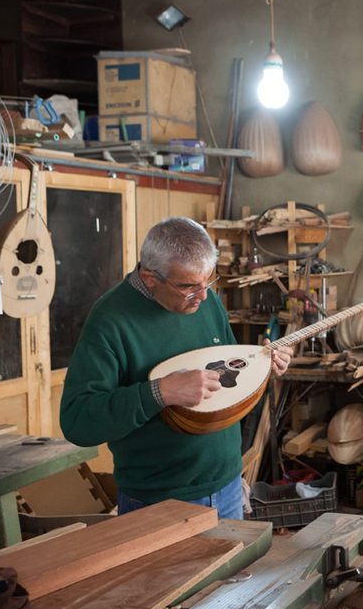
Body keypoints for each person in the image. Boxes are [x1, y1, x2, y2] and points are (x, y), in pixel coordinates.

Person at [60, 216, 291, 519]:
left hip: (228, 485)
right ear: (150, 277)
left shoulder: (203, 298)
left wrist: (262, 364)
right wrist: (160, 392)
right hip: (160, 501)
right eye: (188, 286)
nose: (204, 296)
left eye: (209, 281)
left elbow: (228, 368)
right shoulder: (110, 320)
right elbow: (78, 420)